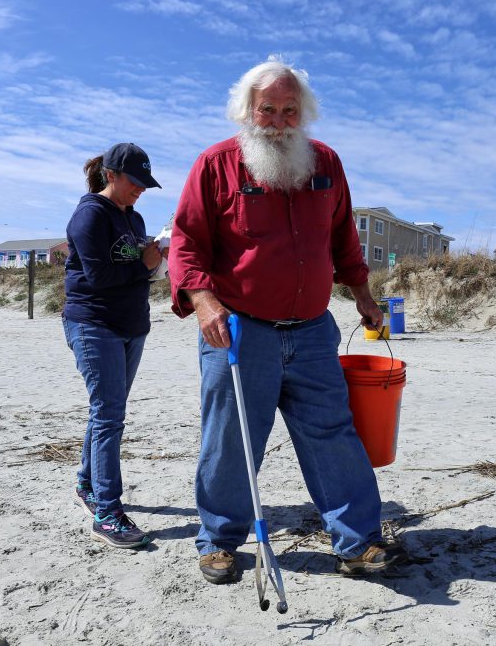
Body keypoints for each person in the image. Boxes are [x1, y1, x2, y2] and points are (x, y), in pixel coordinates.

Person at [168, 58, 408, 584]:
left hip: (313, 331)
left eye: (289, 110)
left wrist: (365, 297)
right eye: (268, 109)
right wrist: (204, 302)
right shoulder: (216, 165)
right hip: (239, 331)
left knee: (334, 435)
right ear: (247, 111)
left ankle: (358, 541)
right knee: (231, 439)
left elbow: (344, 237)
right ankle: (219, 541)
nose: (278, 120)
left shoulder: (325, 163)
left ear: (305, 113)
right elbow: (186, 243)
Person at [63, 142, 164, 549]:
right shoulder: (89, 215)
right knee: (109, 416)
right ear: (112, 175)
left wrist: (155, 259)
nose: (141, 189)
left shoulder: (134, 218)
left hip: (131, 325)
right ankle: (107, 512)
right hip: (93, 324)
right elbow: (101, 277)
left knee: (106, 410)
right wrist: (143, 264)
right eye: (135, 181)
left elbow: (139, 273)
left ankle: (87, 483)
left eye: (146, 183)